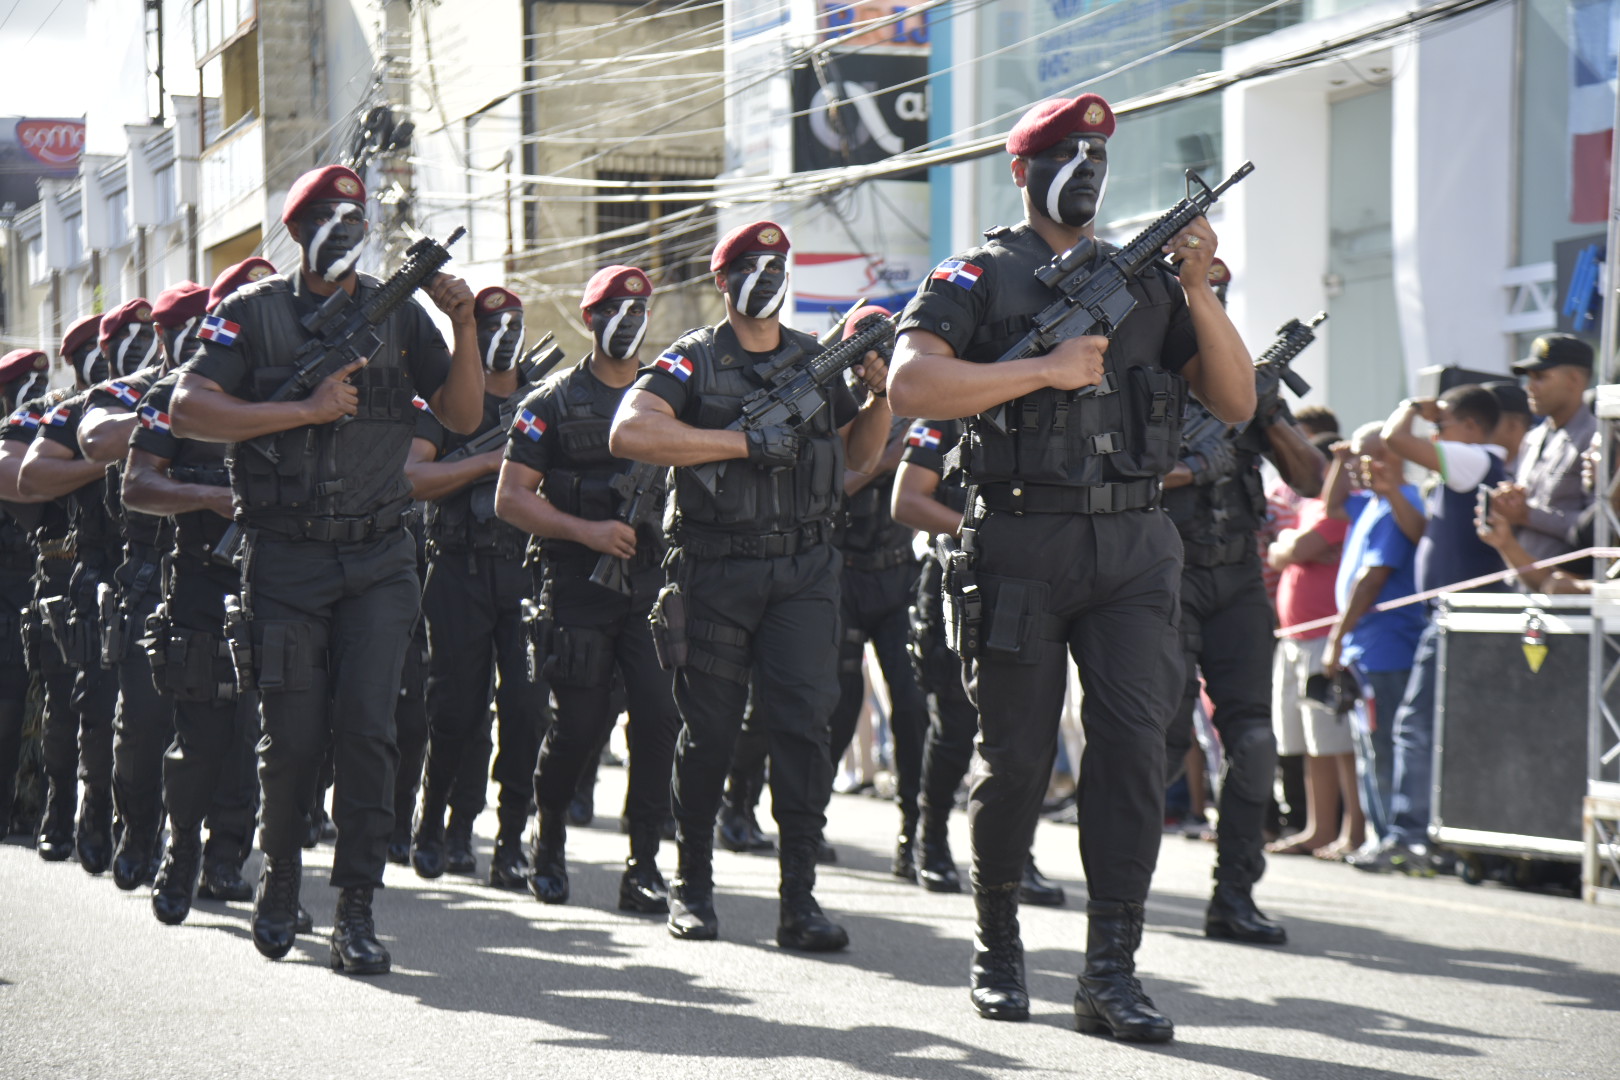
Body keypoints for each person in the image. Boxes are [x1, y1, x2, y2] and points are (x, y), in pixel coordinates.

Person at [885, 93, 1256, 1037]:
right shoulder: (976, 273)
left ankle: (1109, 970)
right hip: (1017, 539)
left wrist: (1202, 285)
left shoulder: (1140, 279)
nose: (1085, 168)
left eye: (1097, 153)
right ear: (1022, 168)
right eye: (1063, 151)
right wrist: (1038, 372)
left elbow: (1236, 399)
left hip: (1134, 545)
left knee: (1135, 752)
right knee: (1015, 763)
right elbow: (912, 384)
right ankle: (997, 938)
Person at [171, 164, 485, 973]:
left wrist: (465, 327)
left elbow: (460, 416)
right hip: (287, 562)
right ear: (298, 228)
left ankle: (355, 909)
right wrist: (301, 411)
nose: (347, 231)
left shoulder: (397, 315)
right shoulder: (254, 313)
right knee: (295, 738)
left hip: (381, 557)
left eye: (358, 218)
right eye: (329, 217)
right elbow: (189, 408)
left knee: (369, 733)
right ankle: (279, 883)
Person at [609, 220, 891, 952]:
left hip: (804, 571)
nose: (768, 275)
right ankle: (692, 886)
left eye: (778, 264)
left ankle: (799, 900)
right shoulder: (692, 361)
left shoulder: (816, 361)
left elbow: (857, 463)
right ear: (722, 281)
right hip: (715, 569)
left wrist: (880, 397)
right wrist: (739, 441)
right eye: (751, 266)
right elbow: (630, 433)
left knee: (803, 728)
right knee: (707, 735)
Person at [495, 263, 681, 913]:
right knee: (577, 727)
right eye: (614, 313)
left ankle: (645, 864)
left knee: (659, 719)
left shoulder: (669, 395)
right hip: (577, 584)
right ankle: (546, 842)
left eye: (640, 312)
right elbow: (511, 499)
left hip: (651, 586)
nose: (629, 324)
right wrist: (586, 532)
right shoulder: (551, 403)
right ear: (590, 319)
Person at [1162, 269, 1325, 948]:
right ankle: (1119, 898)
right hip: (1162, 580)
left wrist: (1263, 414)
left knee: (1254, 740)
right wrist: (1202, 455)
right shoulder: (1145, 383)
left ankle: (1235, 894)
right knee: (1157, 743)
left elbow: (1312, 478)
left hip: (1236, 580)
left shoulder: (1242, 384)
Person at [135, 259, 281, 924]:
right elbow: (135, 487)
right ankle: (181, 858)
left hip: (280, 583)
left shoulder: (290, 394)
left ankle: (231, 861)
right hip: (201, 580)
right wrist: (207, 497)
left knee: (269, 735)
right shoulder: (176, 394)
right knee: (201, 735)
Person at [891, 417, 1065, 905]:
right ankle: (929, 842)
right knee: (952, 726)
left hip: (1026, 586)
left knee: (1022, 731)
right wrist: (991, 534)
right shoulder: (944, 412)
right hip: (958, 578)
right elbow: (907, 501)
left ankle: (1015, 854)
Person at [407, 284, 547, 887]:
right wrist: (489, 463)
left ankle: (512, 838)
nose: (505, 335)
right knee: (455, 711)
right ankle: (439, 824)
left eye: (515, 323)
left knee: (525, 708)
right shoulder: (445, 405)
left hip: (524, 570)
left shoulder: (546, 403)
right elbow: (412, 477)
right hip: (458, 569)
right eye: (492, 325)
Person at [1351, 385, 1506, 875]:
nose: (1435, 433)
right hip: (1448, 617)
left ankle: (1409, 836)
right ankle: (1425, 834)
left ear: (1472, 427)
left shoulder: (1473, 458)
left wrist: (1415, 408)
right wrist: (1394, 490)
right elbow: (1422, 535)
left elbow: (1396, 438)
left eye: (1443, 424)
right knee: (1429, 729)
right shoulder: (1463, 468)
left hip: (1461, 617)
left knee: (1414, 727)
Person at [17, 308, 151, 876]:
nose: (142, 347)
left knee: (150, 713)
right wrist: (101, 460)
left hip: (154, 567)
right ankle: (78, 810)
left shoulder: (161, 395)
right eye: (126, 339)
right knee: (87, 708)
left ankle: (137, 823)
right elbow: (27, 477)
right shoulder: (68, 413)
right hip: (90, 573)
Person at [77, 293, 194, 891]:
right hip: (147, 569)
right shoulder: (128, 392)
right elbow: (96, 441)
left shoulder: (246, 384)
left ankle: (209, 849)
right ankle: (137, 828)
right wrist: (190, 407)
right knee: (143, 720)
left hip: (218, 566)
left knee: (219, 722)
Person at [822, 310, 933, 881]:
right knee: (837, 707)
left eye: (884, 348)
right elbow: (830, 487)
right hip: (840, 575)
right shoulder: (832, 405)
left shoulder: (918, 404)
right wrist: (881, 461)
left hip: (896, 575)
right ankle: (810, 819)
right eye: (865, 351)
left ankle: (913, 830)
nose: (876, 361)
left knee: (912, 707)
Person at [0, 314, 100, 861]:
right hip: (43, 581)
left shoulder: (114, 408)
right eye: (24, 387)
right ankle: (46, 810)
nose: (36, 393)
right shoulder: (39, 425)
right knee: (43, 706)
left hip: (100, 574)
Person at [1321, 424, 1425, 848]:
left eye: (1368, 456)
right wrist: (1340, 462)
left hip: (1388, 647)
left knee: (1383, 748)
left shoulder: (1401, 505)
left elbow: (1371, 580)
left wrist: (1334, 638)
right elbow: (1333, 506)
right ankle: (1379, 838)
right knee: (1369, 749)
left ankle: (1389, 840)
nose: (1360, 467)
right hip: (1366, 647)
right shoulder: (1374, 503)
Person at [1266, 430, 1357, 860]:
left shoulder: (1342, 509)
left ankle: (1350, 831)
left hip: (1324, 637)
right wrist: (1290, 549)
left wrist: (1291, 549)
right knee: (1309, 744)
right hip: (1294, 638)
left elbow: (1295, 547)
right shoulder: (1312, 507)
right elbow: (1279, 553)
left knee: (1338, 744)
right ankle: (1317, 828)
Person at [0, 348, 51, 839]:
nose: (36, 398)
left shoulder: (55, 442)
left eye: (42, 388)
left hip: (43, 590)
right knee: (9, 705)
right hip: (5, 595)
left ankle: (35, 806)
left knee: (47, 705)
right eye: (24, 389)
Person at [1494, 334, 1596, 560]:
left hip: (1568, 584)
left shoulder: (1597, 437)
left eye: (1540, 377)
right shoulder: (1532, 437)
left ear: (1573, 379)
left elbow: (1601, 527)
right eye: (1528, 378)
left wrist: (1527, 514)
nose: (1529, 387)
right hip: (1523, 578)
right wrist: (1508, 506)